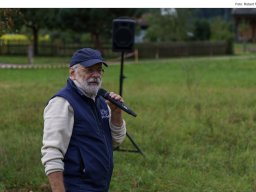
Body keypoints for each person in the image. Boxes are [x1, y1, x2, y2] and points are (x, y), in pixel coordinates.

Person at [41, 48, 127, 192]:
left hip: (100, 186)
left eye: (99, 70)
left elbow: (115, 141)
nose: (95, 75)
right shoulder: (62, 102)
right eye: (89, 70)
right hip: (77, 186)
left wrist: (116, 113)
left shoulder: (100, 100)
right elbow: (52, 153)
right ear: (72, 73)